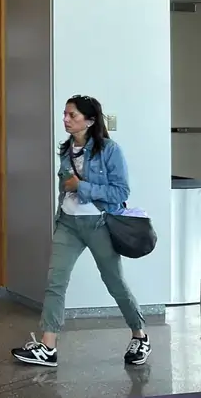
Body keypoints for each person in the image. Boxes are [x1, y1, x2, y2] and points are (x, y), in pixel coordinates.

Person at [11, 95, 149, 368]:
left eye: (72, 115)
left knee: (114, 283)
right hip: (68, 224)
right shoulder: (66, 150)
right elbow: (66, 187)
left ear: (90, 120)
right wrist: (68, 191)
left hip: (99, 224)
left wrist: (81, 186)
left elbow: (120, 192)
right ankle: (48, 346)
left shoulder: (110, 150)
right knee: (55, 283)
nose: (65, 119)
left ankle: (139, 334)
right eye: (65, 114)